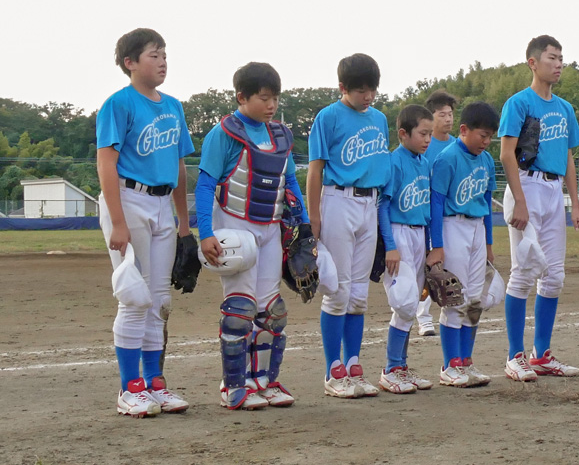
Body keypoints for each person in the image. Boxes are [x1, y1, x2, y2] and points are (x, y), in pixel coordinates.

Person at [95, 28, 193, 417]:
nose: (163, 61)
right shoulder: (118, 104)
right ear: (130, 63)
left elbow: (179, 166)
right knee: (135, 295)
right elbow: (106, 162)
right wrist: (118, 222)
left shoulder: (174, 106)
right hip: (129, 198)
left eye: (164, 54)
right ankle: (129, 388)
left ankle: (154, 383)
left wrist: (184, 223)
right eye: (154, 55)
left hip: (162, 203)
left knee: (159, 298)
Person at [196, 62, 303, 409]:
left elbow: (290, 181)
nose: (271, 105)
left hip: (271, 229)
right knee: (240, 310)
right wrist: (205, 233)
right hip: (235, 227)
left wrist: (303, 225)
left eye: (275, 99)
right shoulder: (224, 134)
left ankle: (264, 381)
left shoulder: (281, 136)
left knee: (272, 312)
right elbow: (205, 184)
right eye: (264, 98)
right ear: (242, 97)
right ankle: (233, 385)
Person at [498, 35, 579, 381]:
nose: (558, 64)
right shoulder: (519, 103)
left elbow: (568, 157)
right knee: (524, 271)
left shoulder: (565, 108)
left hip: (552, 190)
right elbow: (507, 154)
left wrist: (574, 203)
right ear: (533, 63)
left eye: (561, 58)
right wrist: (519, 200)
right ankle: (514, 356)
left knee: (554, 276)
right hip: (527, 184)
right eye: (552, 57)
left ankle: (542, 354)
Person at [307, 53, 390, 398]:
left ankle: (354, 367)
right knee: (338, 291)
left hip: (370, 202)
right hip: (338, 199)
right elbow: (315, 169)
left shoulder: (380, 119)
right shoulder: (328, 117)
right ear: (342, 87)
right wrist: (314, 216)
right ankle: (333, 371)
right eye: (360, 90)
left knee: (358, 294)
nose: (367, 96)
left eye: (372, 89)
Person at [426, 102, 499, 388]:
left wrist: (489, 243)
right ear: (464, 130)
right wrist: (437, 245)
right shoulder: (447, 158)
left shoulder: (487, 160)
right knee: (454, 296)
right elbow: (436, 203)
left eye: (490, 136)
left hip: (477, 227)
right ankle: (450, 365)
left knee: (475, 300)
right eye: (483, 135)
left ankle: (466, 361)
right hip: (452, 225)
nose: (486, 141)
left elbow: (486, 204)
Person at [376, 104, 435, 394]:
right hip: (399, 233)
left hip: (419, 234)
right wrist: (390, 246)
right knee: (404, 301)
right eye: (423, 133)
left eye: (430, 134)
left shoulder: (424, 162)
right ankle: (391, 369)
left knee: (411, 304)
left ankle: (400, 366)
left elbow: (426, 210)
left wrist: (430, 248)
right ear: (403, 133)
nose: (428, 139)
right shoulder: (394, 162)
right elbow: (383, 206)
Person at [415, 90, 459, 337]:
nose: (448, 119)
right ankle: (423, 317)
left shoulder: (457, 145)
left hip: (449, 216)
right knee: (427, 266)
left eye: (450, 114)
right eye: (442, 114)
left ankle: (449, 310)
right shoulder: (424, 145)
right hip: (425, 213)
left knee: (446, 266)